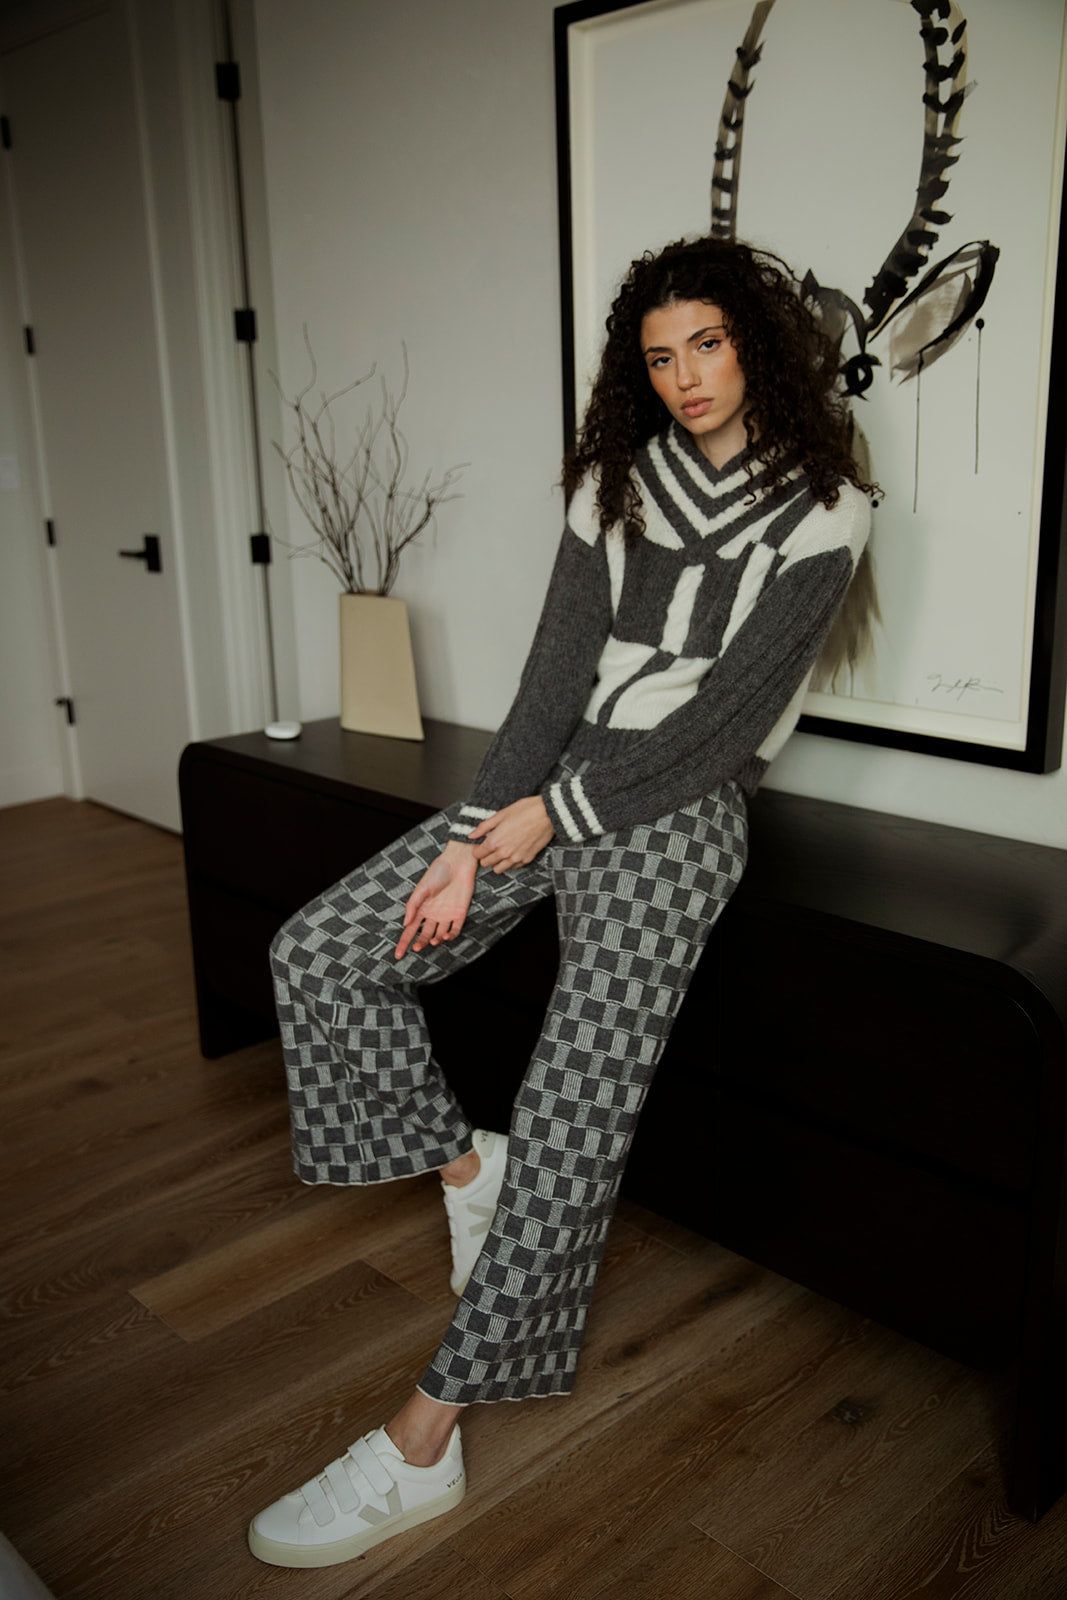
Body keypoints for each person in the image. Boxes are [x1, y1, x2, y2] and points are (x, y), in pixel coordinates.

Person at [248, 235, 876, 1569]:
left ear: (754, 343)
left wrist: (554, 816)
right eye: (659, 357)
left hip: (683, 816)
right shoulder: (616, 484)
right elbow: (549, 683)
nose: (685, 376)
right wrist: (476, 834)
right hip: (559, 785)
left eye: (706, 344)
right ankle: (473, 1169)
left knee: (578, 1103)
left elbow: (725, 725)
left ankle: (424, 1441)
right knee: (321, 952)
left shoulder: (828, 507)